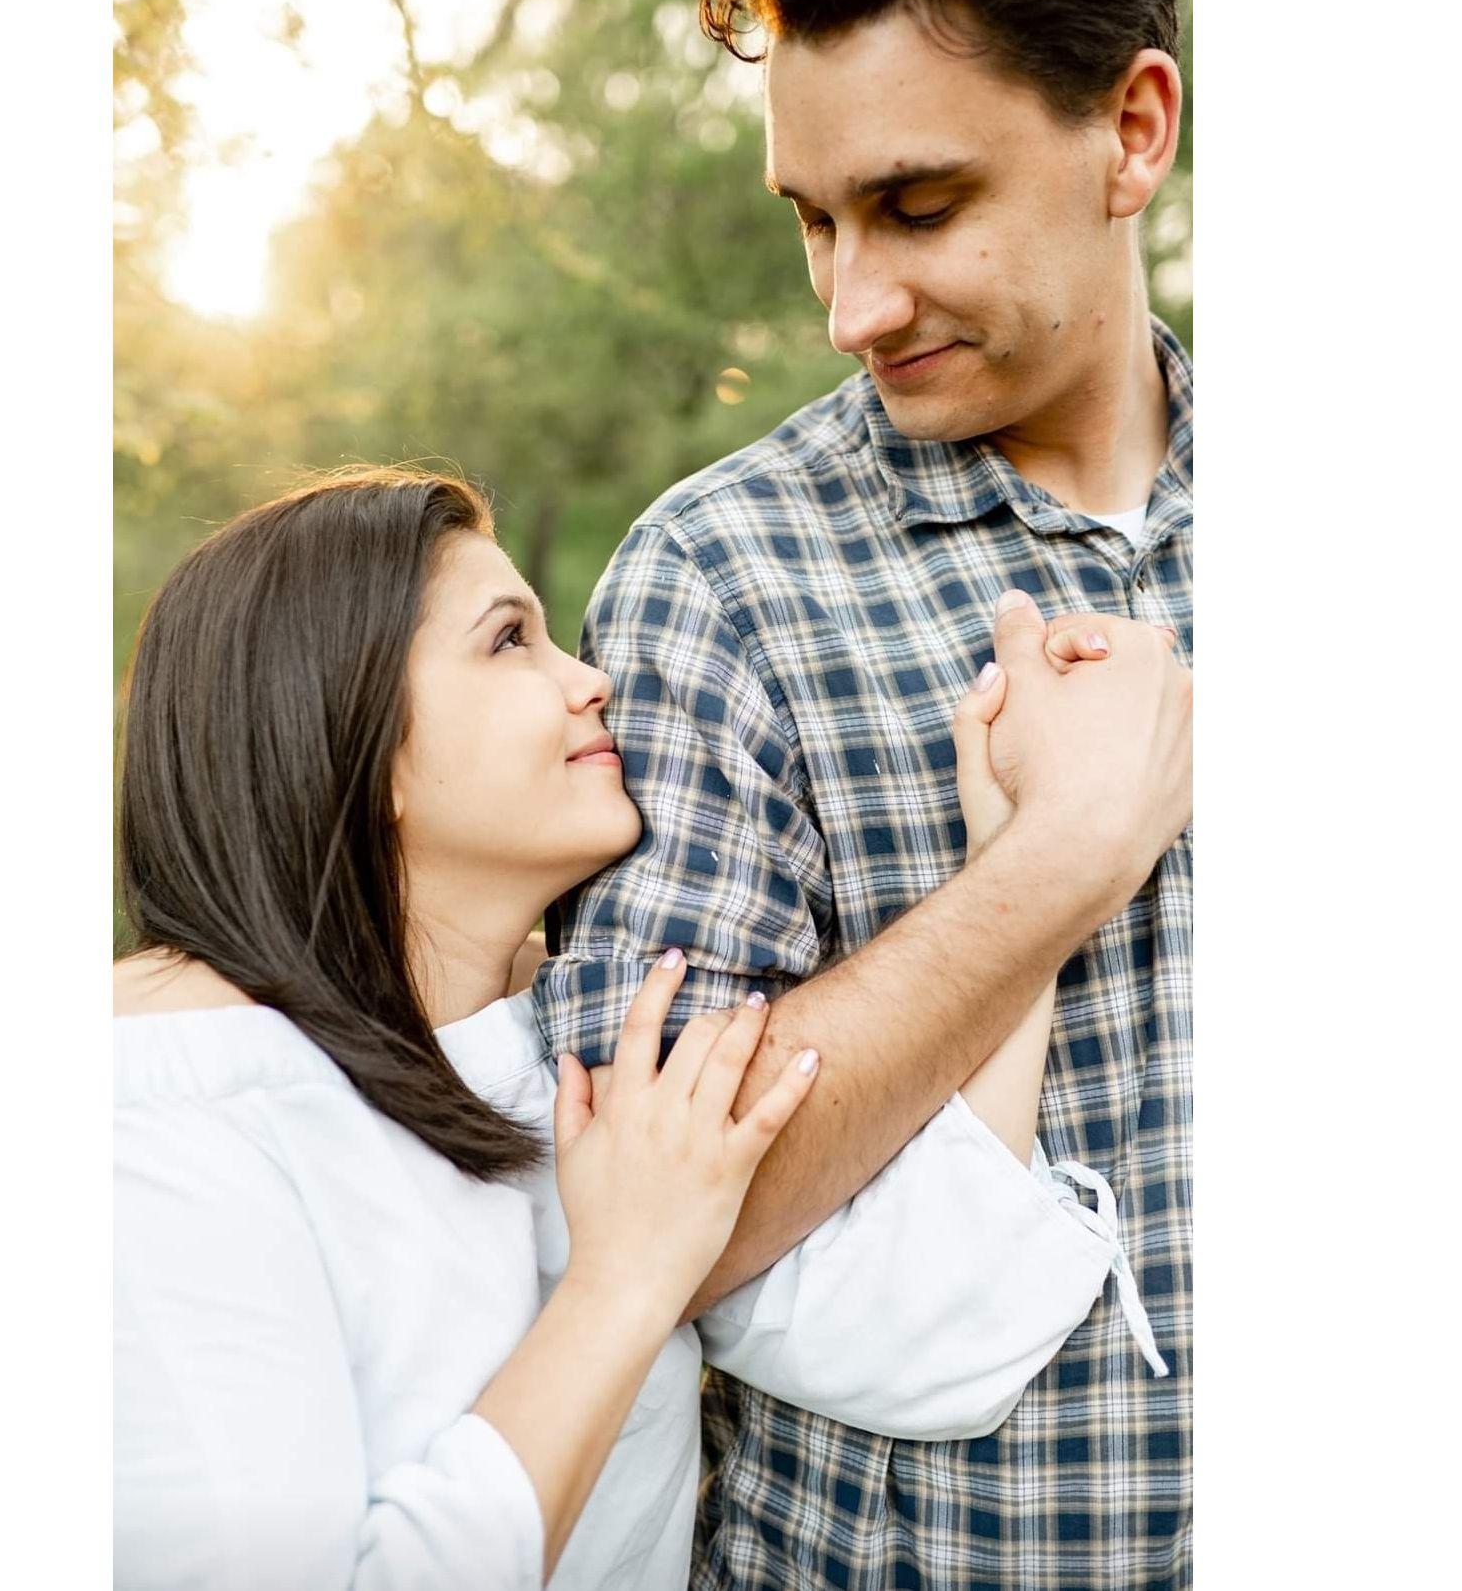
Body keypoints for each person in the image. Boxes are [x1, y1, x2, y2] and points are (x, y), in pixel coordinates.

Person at [113, 469, 1178, 1591]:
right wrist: (620, 1283)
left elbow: (922, 1331)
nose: (590, 679)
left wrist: (1023, 862)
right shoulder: (163, 1121)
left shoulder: (547, 1049)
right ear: (341, 723)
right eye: (508, 639)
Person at [531, 0, 1194, 1587]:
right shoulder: (718, 575)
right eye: (814, 221)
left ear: (1128, 129)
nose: (850, 306)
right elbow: (641, 1223)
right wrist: (1046, 871)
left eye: (913, 206)